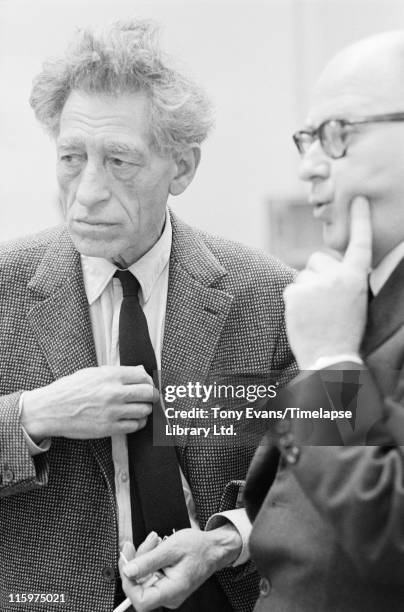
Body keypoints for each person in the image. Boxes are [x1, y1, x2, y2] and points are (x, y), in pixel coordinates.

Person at [0, 19, 295, 612]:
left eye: (119, 162)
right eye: (71, 158)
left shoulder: (270, 294)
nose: (86, 192)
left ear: (182, 168)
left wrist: (224, 541)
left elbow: (333, 477)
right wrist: (30, 415)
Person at [244, 31, 404, 612]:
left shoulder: (328, 322)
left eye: (338, 133)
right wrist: (229, 539)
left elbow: (391, 529)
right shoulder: (354, 289)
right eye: (306, 139)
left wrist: (330, 363)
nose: (309, 167)